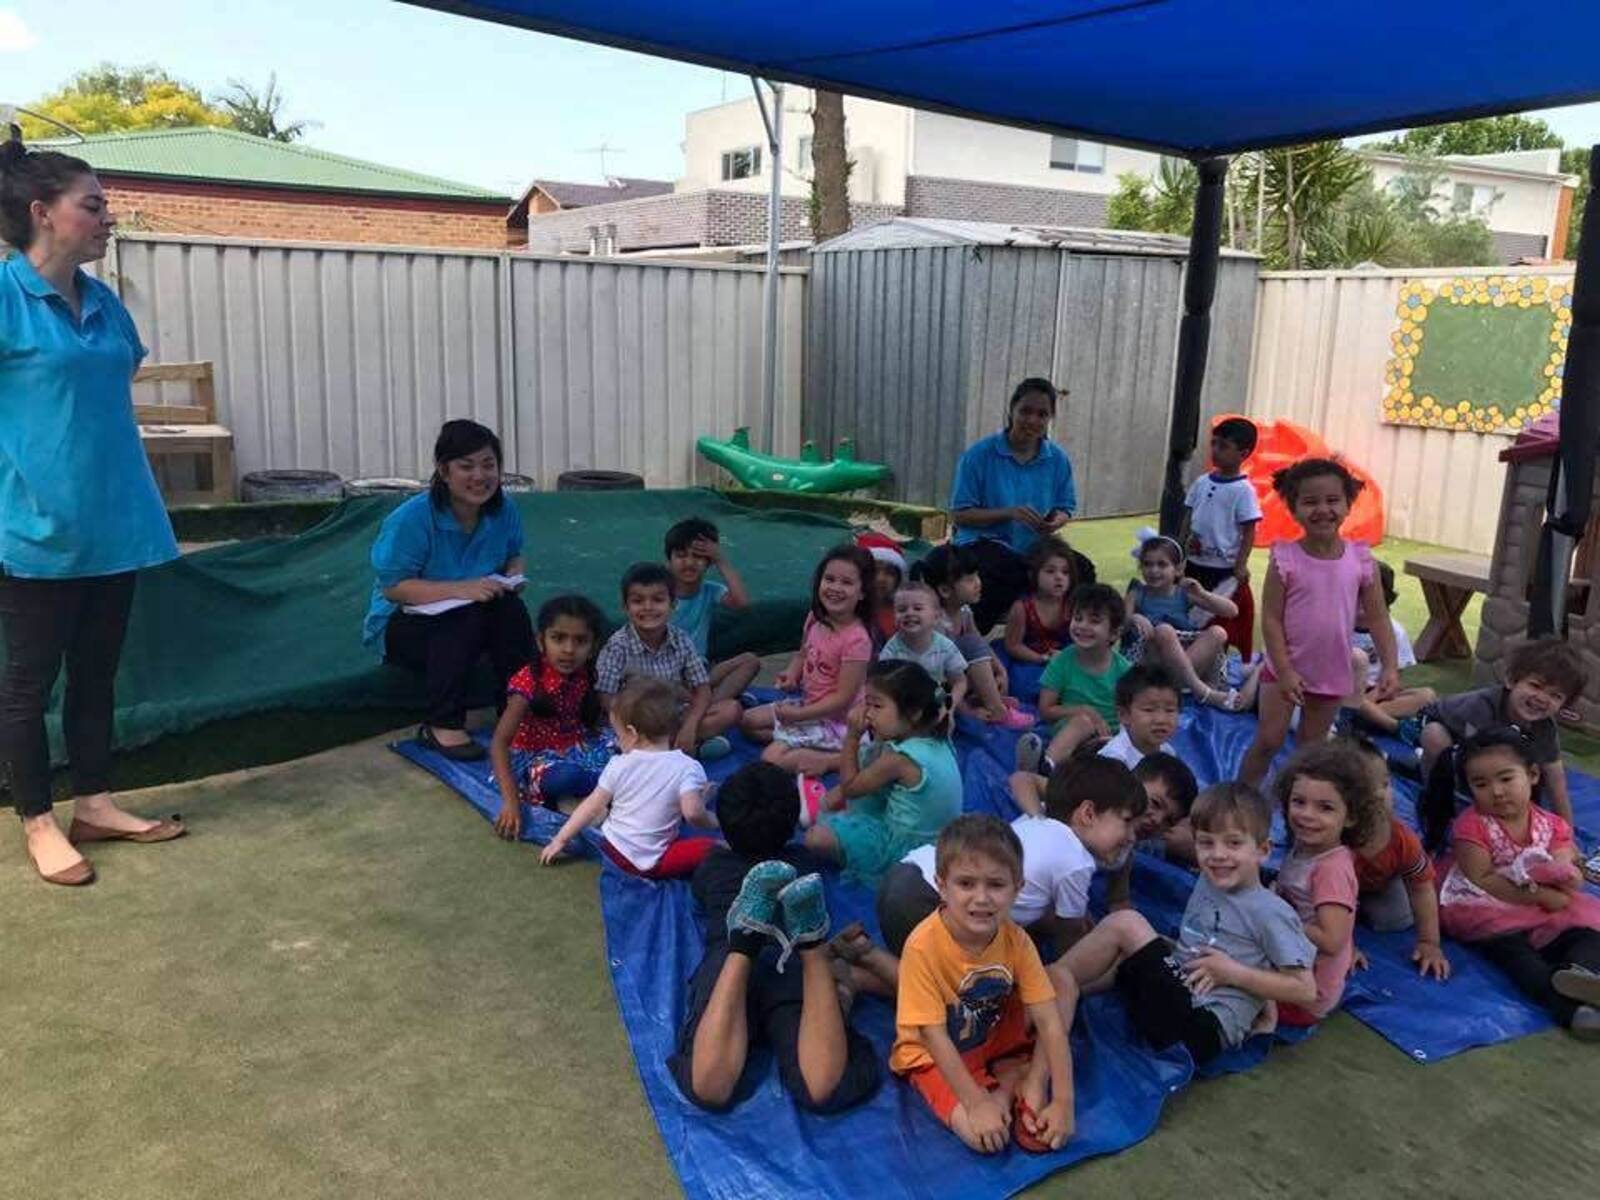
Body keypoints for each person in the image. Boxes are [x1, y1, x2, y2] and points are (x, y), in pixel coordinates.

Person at [0, 130, 186, 885]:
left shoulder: (105, 303)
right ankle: (38, 821)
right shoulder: (7, 299)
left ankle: (96, 804)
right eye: (94, 205)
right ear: (43, 212)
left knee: (97, 675)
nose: (109, 217)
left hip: (117, 521)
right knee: (25, 685)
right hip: (36, 529)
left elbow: (109, 387)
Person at [839, 758, 1147, 1006]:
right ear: (1088, 813)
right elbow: (1070, 944)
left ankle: (860, 968)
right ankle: (865, 961)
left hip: (909, 875)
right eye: (1126, 821)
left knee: (943, 974)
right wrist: (1102, 971)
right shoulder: (1076, 861)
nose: (1132, 836)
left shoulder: (1037, 820)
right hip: (930, 902)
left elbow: (1031, 909)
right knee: (971, 1000)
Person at [668, 761, 881, 1112]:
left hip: (728, 960)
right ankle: (809, 943)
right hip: (793, 962)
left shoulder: (713, 866)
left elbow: (702, 896)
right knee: (821, 1091)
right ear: (789, 821)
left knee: (710, 1089)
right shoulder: (804, 865)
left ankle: (746, 941)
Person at [1054, 783, 1317, 1067]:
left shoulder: (1271, 912)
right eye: (1206, 842)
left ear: (1263, 850)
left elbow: (1304, 989)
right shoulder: (1210, 879)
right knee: (1134, 950)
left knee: (1127, 925)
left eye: (1233, 843)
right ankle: (1058, 994)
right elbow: (1246, 951)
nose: (1218, 854)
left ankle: (1043, 988)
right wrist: (1264, 1003)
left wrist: (1234, 974)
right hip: (1178, 995)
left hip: (1200, 1024)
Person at [891, 815, 1075, 1154]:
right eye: (966, 884)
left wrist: (1064, 1101)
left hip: (992, 1030)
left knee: (1062, 980)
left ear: (1017, 888)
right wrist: (976, 1103)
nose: (981, 898)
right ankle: (1008, 1083)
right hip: (939, 1052)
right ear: (941, 886)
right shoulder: (921, 947)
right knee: (985, 1138)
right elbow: (933, 1036)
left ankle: (1029, 1078)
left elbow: (1049, 1021)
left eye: (995, 884)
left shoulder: (1016, 940)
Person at [367, 419, 531, 763]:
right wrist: (462, 590)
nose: (480, 476)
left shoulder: (504, 510)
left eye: (489, 465)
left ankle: (517, 708)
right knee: (463, 617)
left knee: (512, 612)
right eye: (466, 466)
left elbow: (514, 555)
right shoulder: (412, 519)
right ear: (443, 470)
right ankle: (442, 723)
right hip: (405, 624)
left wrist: (513, 576)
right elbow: (395, 588)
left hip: (476, 609)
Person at [1237, 458, 1398, 786]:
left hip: (1331, 670)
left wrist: (1391, 667)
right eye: (1310, 502)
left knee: (1310, 752)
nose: (1322, 509)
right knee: (1268, 741)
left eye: (1332, 500)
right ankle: (1241, 800)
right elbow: (1270, 619)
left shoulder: (1360, 559)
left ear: (1348, 504)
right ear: (1293, 509)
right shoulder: (1286, 558)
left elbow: (1379, 618)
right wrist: (1284, 671)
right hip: (1285, 669)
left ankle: (1295, 810)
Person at [1437, 729, 1600, 1039]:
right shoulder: (1472, 825)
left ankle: (1581, 975)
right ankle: (1574, 1011)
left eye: (1506, 779)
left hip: (1544, 900)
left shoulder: (1550, 824)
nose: (1496, 792)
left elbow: (1565, 860)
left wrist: (1569, 872)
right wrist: (1538, 896)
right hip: (1487, 902)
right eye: (1481, 784)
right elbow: (1481, 878)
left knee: (1590, 936)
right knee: (1520, 961)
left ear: (1533, 775)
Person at [539, 677, 717, 876]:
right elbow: (693, 814)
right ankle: (701, 799)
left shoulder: (618, 764)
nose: (617, 740)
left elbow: (590, 807)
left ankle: (697, 795)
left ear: (632, 733)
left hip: (610, 847)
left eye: (618, 734)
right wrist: (713, 821)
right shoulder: (687, 767)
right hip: (650, 862)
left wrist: (560, 840)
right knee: (711, 847)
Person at [806, 661, 962, 884]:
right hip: (944, 840)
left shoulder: (899, 760)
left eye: (877, 706)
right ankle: (828, 807)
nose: (867, 714)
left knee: (816, 838)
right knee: (848, 781)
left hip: (906, 854)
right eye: (866, 704)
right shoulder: (939, 731)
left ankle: (846, 836)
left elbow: (851, 789)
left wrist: (851, 736)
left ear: (914, 713)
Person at [948, 378, 1079, 634]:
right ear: (1011, 410)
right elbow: (959, 514)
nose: (1032, 420)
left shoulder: (1057, 459)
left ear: (1050, 417)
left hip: (1032, 549)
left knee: (1080, 570)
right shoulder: (979, 455)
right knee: (1006, 571)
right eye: (1026, 411)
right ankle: (966, 646)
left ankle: (1057, 647)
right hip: (981, 544)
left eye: (1042, 414)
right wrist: (1009, 513)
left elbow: (1066, 507)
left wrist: (1056, 521)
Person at [1271, 742, 1386, 1024]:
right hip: (1290, 961)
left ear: (1351, 817)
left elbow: (1332, 940)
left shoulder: (1331, 869)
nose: (1307, 815)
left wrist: (1274, 916)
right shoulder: (1306, 847)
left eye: (1325, 808)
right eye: (1299, 802)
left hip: (1304, 995)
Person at [1419, 637, 1585, 827]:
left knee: (1530, 774)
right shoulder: (1481, 708)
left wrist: (1567, 834)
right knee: (1434, 737)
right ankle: (1434, 794)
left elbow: (1556, 780)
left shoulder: (1544, 726)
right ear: (1511, 680)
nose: (1542, 698)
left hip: (1491, 743)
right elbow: (1480, 763)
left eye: (1555, 695)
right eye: (1535, 685)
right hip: (1449, 730)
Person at [488, 594, 614, 840]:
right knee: (565, 778)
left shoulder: (585, 674)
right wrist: (511, 804)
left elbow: (606, 716)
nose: (568, 649)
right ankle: (613, 790)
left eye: (580, 641)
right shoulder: (528, 683)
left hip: (577, 746)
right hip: (537, 761)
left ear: (593, 647)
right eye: (558, 638)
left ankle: (593, 796)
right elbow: (499, 743)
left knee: (632, 745)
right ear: (541, 640)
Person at [742, 544, 875, 777]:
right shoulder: (816, 617)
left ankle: (841, 757)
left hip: (838, 720)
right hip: (810, 705)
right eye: (830, 579)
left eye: (846, 582)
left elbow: (843, 699)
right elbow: (803, 653)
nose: (835, 588)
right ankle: (804, 742)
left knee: (770, 759)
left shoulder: (857, 639)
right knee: (748, 722)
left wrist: (797, 716)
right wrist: (792, 673)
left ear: (863, 592)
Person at [595, 562, 742, 761]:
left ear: (673, 604)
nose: (648, 608)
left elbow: (702, 689)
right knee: (611, 741)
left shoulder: (681, 639)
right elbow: (606, 699)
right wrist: (627, 731)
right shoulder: (617, 646)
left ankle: (674, 746)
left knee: (731, 710)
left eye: (657, 600)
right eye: (638, 601)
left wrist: (690, 726)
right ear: (625, 607)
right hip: (634, 724)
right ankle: (686, 750)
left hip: (673, 717)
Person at [1011, 664, 1179, 816]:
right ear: (1124, 715)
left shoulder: (1167, 753)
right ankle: (1044, 772)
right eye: (1149, 710)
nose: (1161, 719)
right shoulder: (1114, 759)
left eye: (1170, 710)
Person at [1345, 738, 1450, 980]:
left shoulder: (1402, 838)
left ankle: (1355, 908)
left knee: (1397, 920)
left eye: (1385, 784)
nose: (1379, 794)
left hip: (1377, 884)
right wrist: (1342, 947)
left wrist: (1429, 942)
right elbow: (1318, 894)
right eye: (1363, 789)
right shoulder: (1330, 845)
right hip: (1327, 888)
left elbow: (1422, 887)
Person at [1124, 533, 1241, 710]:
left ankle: (1197, 685)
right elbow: (1119, 624)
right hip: (1154, 663)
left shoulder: (1183, 593)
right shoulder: (1138, 593)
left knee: (1218, 632)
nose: (1154, 570)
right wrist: (1134, 617)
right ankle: (1201, 691)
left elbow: (1232, 611)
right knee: (1164, 630)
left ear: (1178, 569)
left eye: (1162, 564)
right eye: (1148, 564)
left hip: (1185, 664)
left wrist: (1202, 594)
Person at [911, 544, 1021, 726]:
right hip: (932, 687)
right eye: (970, 579)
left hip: (955, 680)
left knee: (976, 646)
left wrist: (1001, 671)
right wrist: (967, 712)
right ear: (945, 590)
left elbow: (980, 643)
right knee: (970, 644)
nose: (978, 582)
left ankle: (989, 700)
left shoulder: (963, 611)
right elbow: (935, 677)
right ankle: (996, 710)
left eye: (977, 575)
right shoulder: (936, 624)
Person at [1180, 417, 1263, 657]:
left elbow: (1249, 530)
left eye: (1223, 446)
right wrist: (1178, 550)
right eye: (1213, 444)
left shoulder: (1243, 491)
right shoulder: (1201, 482)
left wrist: (1240, 564)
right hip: (1194, 564)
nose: (1215, 451)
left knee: (1217, 621)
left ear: (1243, 453)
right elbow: (1188, 516)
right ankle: (1187, 658)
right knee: (1189, 613)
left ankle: (1215, 665)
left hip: (1223, 569)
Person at [664, 517, 761, 708]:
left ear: (709, 563)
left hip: (699, 673)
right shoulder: (660, 593)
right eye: (681, 555)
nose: (690, 563)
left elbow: (743, 603)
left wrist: (721, 560)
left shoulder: (710, 590)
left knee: (750, 661)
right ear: (669, 560)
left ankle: (706, 707)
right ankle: (710, 706)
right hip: (666, 674)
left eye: (698, 557)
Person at [1032, 584, 1131, 770]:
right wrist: (1083, 710)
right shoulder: (1062, 662)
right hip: (1071, 735)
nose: (1082, 626)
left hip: (1111, 740)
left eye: (1094, 621)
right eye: (1078, 618)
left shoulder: (1124, 670)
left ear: (1114, 633)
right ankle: (1045, 767)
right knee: (1083, 723)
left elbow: (1133, 712)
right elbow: (1045, 710)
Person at [1346, 561, 1432, 740]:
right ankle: (1394, 727)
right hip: (1346, 692)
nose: (1363, 602)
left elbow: (1395, 678)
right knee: (1350, 698)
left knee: (1426, 696)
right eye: (1357, 594)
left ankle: (1361, 720)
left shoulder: (1395, 631)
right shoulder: (1338, 627)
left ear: (1385, 599)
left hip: (1377, 694)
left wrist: (1377, 693)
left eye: (1370, 596)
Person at [879, 581, 969, 713]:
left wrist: (950, 705)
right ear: (895, 617)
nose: (909, 613)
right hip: (902, 701)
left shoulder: (945, 646)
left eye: (918, 608)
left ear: (936, 616)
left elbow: (960, 682)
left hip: (936, 696)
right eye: (902, 610)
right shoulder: (892, 649)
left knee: (949, 720)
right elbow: (882, 683)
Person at [1002, 540, 1081, 665]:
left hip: (1068, 661)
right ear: (1032, 574)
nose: (1059, 577)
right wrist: (1043, 659)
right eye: (1050, 571)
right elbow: (1013, 646)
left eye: (1065, 572)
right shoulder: (1022, 608)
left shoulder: (1073, 604)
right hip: (1031, 661)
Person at [856, 531, 907, 645]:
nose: (881, 579)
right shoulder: (848, 610)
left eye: (889, 573)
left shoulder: (903, 615)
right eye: (874, 570)